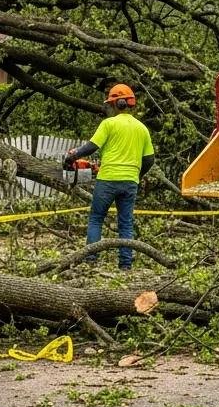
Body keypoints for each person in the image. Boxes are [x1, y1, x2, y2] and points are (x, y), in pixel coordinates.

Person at [64, 84, 155, 271]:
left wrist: (72, 156)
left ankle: (91, 260)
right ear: (130, 104)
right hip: (130, 182)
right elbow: (149, 159)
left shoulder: (108, 124)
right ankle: (125, 264)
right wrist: (136, 175)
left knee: (96, 218)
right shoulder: (142, 128)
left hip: (107, 179)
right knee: (126, 223)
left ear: (115, 104)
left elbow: (91, 146)